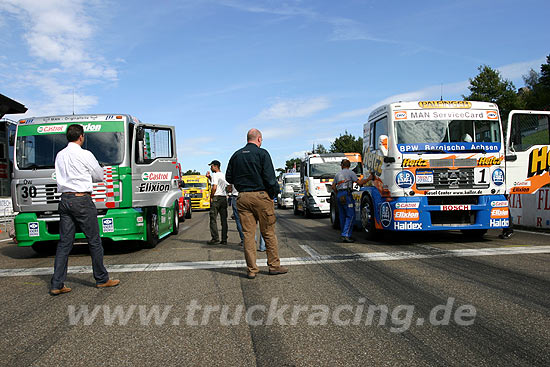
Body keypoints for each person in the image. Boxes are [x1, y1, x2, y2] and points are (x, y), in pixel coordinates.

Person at [50, 124, 120, 295]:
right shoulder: (85, 154)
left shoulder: (60, 155)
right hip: (82, 199)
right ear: (81, 137)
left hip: (65, 199)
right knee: (94, 241)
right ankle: (102, 279)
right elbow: (99, 175)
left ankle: (57, 283)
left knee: (64, 243)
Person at [226, 128, 287, 279]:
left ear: (248, 139)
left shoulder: (236, 155)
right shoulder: (262, 153)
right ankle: (273, 266)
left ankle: (252, 269)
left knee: (248, 235)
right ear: (259, 139)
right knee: (268, 233)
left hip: (243, 197)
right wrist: (272, 194)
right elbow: (270, 178)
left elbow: (229, 177)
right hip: (261, 196)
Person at [331, 159, 367, 243]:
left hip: (339, 195)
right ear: (349, 165)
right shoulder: (351, 173)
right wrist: (369, 179)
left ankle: (344, 233)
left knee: (342, 216)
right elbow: (359, 183)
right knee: (350, 215)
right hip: (347, 195)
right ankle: (346, 235)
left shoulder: (338, 174)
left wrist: (338, 193)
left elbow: (333, 187)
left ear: (342, 165)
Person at [208, 160, 228, 245]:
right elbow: (228, 186)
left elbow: (214, 187)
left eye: (211, 166)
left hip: (216, 198)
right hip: (223, 197)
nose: (210, 167)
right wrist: (209, 178)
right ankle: (224, 239)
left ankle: (215, 238)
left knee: (213, 219)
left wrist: (211, 196)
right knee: (224, 220)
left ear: (216, 166)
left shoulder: (215, 175)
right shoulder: (223, 175)